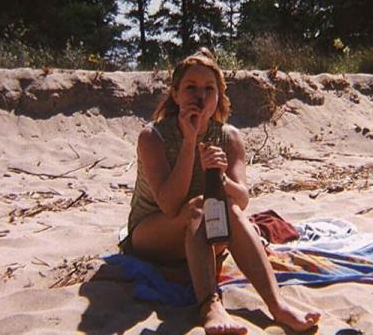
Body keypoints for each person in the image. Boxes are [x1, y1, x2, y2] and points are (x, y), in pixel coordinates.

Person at [122, 48, 321, 334]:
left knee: (228, 209)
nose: (199, 96)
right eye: (190, 87)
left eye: (208, 89)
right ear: (175, 94)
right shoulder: (153, 137)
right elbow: (168, 205)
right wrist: (189, 143)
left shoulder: (229, 136)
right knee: (197, 206)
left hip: (203, 230)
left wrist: (221, 178)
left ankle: (277, 305)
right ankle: (211, 306)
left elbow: (242, 199)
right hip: (153, 232)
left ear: (218, 97)